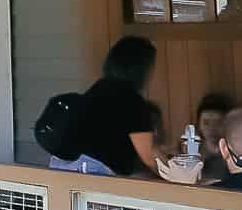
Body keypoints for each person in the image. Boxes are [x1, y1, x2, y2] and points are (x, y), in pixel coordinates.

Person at [49, 35, 162, 176]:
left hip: (63, 169)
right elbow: (149, 156)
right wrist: (179, 178)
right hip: (93, 174)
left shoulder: (98, 89)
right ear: (141, 69)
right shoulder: (132, 101)